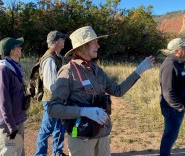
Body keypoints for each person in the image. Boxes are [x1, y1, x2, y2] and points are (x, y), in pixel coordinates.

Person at [47, 26, 155, 156]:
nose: (98, 46)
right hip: (81, 138)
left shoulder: (97, 70)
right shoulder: (68, 72)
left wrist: (138, 72)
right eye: (95, 42)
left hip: (102, 134)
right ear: (84, 45)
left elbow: (118, 91)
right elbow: (53, 109)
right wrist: (84, 111)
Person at [0, 37, 27, 156]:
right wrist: (11, 126)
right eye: (18, 46)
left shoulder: (13, 67)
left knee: (18, 151)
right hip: (9, 121)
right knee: (8, 152)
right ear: (12, 51)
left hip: (17, 117)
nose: (21, 48)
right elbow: (3, 100)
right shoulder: (2, 69)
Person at [159, 38, 185, 156]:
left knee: (172, 135)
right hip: (172, 109)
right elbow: (167, 92)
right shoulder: (170, 65)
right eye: (184, 47)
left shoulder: (178, 62)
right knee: (170, 135)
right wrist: (179, 107)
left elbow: (181, 79)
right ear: (177, 51)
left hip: (175, 108)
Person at [35, 31, 68, 156]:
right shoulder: (49, 59)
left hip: (56, 99)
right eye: (62, 39)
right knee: (46, 129)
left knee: (59, 127)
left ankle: (57, 152)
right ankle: (40, 154)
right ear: (57, 42)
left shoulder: (55, 56)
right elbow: (51, 84)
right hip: (51, 100)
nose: (64, 41)